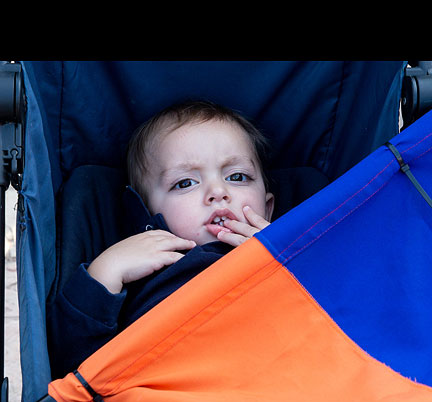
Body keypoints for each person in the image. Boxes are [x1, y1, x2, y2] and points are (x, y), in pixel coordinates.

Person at [47, 100, 275, 379]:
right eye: (185, 183)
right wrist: (106, 272)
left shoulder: (299, 261)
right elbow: (72, 369)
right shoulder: (140, 277)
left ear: (269, 208)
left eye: (237, 177)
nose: (218, 191)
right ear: (144, 213)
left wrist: (288, 260)